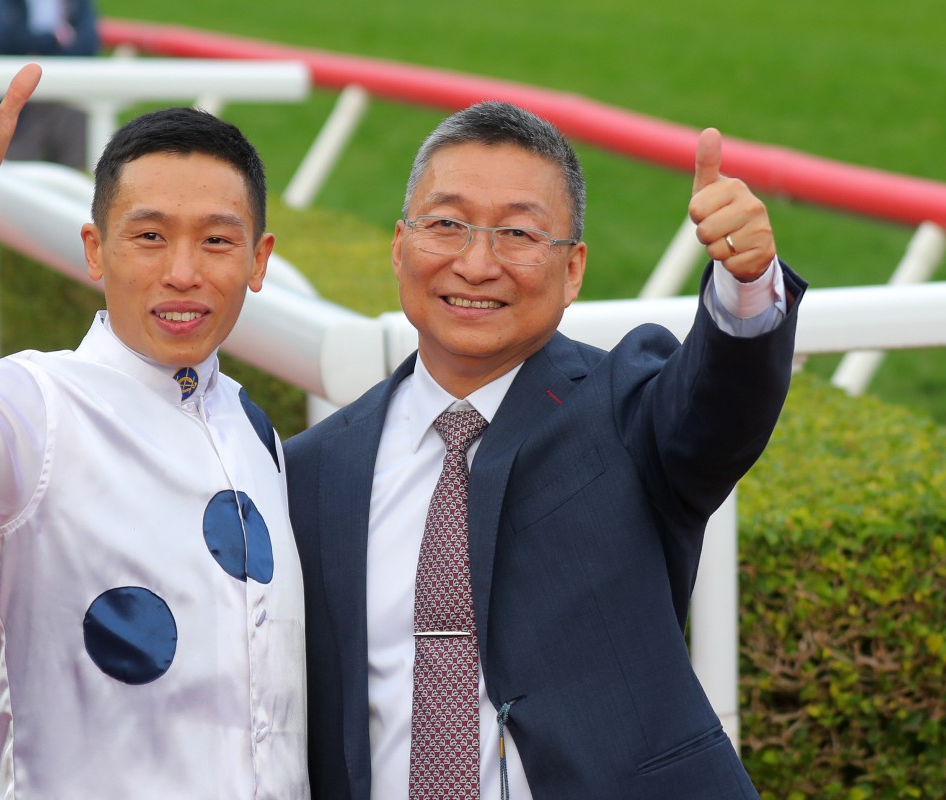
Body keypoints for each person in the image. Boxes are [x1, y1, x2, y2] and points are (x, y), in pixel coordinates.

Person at [284, 101, 805, 799]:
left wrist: (746, 284)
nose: (476, 263)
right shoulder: (314, 469)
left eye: (519, 233)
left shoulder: (627, 408)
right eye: (446, 225)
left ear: (574, 269)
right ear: (400, 246)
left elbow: (716, 409)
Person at [0, 64, 308, 798]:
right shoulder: (31, 409)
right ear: (95, 249)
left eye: (216, 241)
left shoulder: (252, 429)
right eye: (148, 236)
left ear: (258, 261)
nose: (182, 272)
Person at [0, 0, 99, 169]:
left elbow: (88, 45)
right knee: (15, 173)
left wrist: (36, 44)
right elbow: (0, 42)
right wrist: (53, 40)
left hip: (65, 95)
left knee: (76, 171)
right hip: (23, 102)